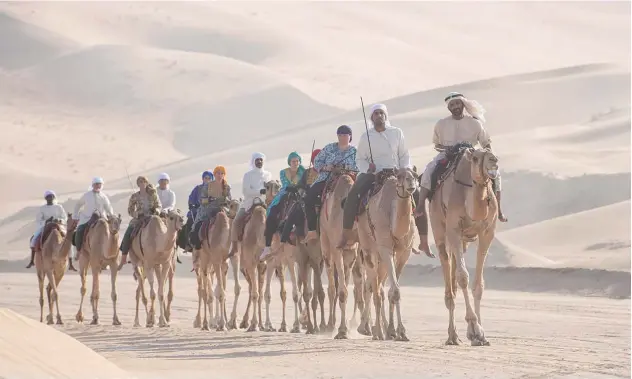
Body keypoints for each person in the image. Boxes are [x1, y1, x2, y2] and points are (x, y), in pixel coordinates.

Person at [413, 92, 507, 253]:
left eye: (458, 104)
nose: (455, 107)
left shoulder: (475, 123)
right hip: (449, 155)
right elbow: (437, 144)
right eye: (452, 105)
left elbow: (485, 142)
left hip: (472, 154)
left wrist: (487, 156)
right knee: (428, 172)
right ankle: (421, 205)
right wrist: (448, 149)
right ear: (448, 107)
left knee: (495, 174)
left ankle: (498, 210)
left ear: (463, 104)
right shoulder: (441, 124)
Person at [337, 104, 413, 249]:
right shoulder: (366, 136)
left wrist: (404, 170)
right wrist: (368, 169)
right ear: (372, 118)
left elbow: (404, 154)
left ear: (385, 115)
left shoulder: (397, 132)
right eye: (375, 114)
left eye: (381, 113)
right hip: (373, 174)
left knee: (415, 192)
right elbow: (360, 159)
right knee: (353, 195)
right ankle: (346, 233)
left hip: (396, 172)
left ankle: (420, 237)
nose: (379, 115)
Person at [304, 125, 358, 242]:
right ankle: (312, 230)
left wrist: (347, 168)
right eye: (340, 135)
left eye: (345, 135)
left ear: (350, 136)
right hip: (327, 178)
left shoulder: (354, 151)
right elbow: (317, 161)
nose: (343, 137)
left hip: (348, 179)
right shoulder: (329, 148)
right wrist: (325, 167)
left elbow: (359, 166)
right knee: (308, 198)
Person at [259, 152, 305, 260]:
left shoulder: (303, 172)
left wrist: (299, 187)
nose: (295, 163)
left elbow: (304, 183)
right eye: (293, 161)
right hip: (286, 193)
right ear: (289, 162)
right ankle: (267, 246)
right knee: (273, 210)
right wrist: (293, 187)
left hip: (300, 194)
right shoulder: (283, 172)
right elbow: (285, 184)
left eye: (297, 161)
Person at [228, 152, 272, 258]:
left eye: (261, 160)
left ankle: (273, 246)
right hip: (249, 203)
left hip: (264, 203)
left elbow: (270, 189)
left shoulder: (268, 175)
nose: (259, 162)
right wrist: (259, 191)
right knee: (236, 222)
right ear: (253, 162)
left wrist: (266, 193)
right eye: (257, 160)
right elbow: (246, 191)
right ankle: (234, 247)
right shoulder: (248, 175)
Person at [26, 190, 76, 271]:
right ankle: (32, 260)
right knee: (34, 239)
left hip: (58, 226)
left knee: (68, 241)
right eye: (48, 197)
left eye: (51, 196)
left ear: (54, 197)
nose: (50, 198)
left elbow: (64, 217)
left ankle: (70, 263)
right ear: (46, 198)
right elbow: (38, 220)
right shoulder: (42, 208)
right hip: (46, 226)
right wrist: (46, 221)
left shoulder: (59, 207)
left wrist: (59, 220)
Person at [280, 148, 321, 245]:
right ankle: (284, 239)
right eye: (316, 159)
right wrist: (302, 190)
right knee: (294, 212)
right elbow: (300, 185)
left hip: (323, 197)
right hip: (308, 198)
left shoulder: (327, 171)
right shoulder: (307, 172)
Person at [119, 176, 162, 268]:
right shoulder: (134, 196)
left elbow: (159, 205)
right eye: (140, 182)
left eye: (144, 181)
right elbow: (130, 210)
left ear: (146, 183)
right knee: (129, 232)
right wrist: (136, 214)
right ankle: (123, 257)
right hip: (139, 218)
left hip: (152, 216)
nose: (142, 183)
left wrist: (157, 211)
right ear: (138, 184)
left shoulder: (153, 194)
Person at [189, 165, 232, 250]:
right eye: (218, 173)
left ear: (224, 175)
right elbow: (201, 200)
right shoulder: (208, 186)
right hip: (208, 209)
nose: (220, 175)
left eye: (222, 173)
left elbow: (229, 199)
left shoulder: (227, 186)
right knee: (198, 225)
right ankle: (196, 244)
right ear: (215, 175)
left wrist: (226, 200)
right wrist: (209, 200)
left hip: (222, 209)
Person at [72, 177, 115, 253]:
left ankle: (113, 251)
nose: (98, 186)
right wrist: (75, 216)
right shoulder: (87, 195)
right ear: (93, 185)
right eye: (96, 184)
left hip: (102, 218)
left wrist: (112, 215)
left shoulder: (104, 197)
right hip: (87, 218)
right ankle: (79, 251)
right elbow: (78, 205)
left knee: (112, 231)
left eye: (99, 184)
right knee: (79, 230)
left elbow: (108, 207)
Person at [181, 171, 214, 252]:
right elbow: (191, 198)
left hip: (210, 211)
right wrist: (192, 204)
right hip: (197, 210)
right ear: (203, 179)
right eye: (206, 178)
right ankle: (189, 243)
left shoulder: (214, 189)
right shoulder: (198, 188)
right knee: (190, 222)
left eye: (209, 178)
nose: (207, 180)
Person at [156, 172, 180, 263]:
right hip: (156, 212)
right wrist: (158, 210)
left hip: (168, 213)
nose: (163, 183)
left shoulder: (171, 193)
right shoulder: (155, 192)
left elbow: (172, 204)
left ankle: (175, 247)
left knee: (177, 225)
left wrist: (165, 210)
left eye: (165, 181)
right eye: (161, 181)